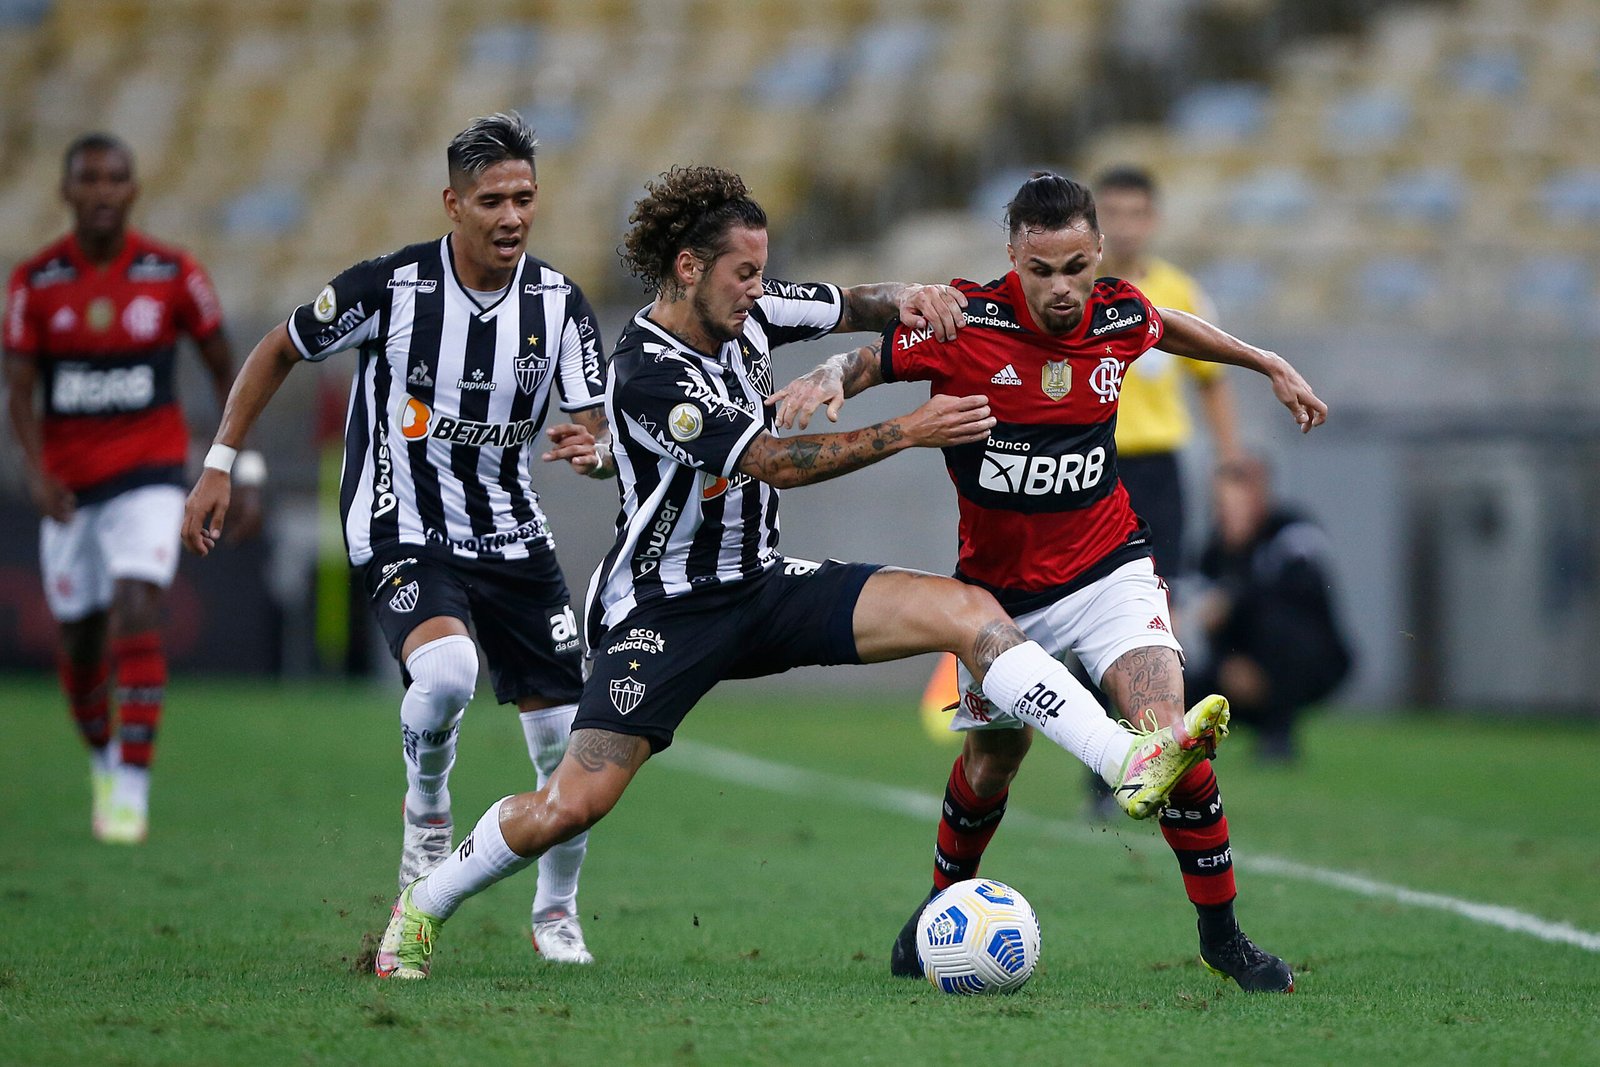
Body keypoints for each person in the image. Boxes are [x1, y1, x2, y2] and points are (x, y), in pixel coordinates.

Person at [373, 165, 1230, 980]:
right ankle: (426, 899)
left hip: (767, 585)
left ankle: (1126, 757)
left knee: (969, 610)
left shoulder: (748, 307)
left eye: (763, 271)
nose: (759, 289)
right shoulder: (645, 369)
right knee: (570, 803)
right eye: (745, 273)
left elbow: (852, 302)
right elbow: (777, 462)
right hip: (666, 614)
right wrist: (910, 428)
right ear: (688, 268)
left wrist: (921, 296)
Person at [771, 172, 1327, 993]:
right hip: (997, 602)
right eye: (1042, 269)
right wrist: (830, 376)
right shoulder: (967, 321)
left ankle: (1223, 937)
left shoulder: (1119, 311)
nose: (1063, 288)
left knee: (1170, 743)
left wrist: (1264, 360)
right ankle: (938, 910)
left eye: (1076, 266)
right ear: (1013, 260)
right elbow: (877, 355)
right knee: (994, 766)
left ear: (1098, 252)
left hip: (1108, 569)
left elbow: (1168, 326)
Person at [182, 113, 613, 964]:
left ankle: (556, 912)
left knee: (570, 740)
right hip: (401, 521)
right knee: (448, 671)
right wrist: (221, 461)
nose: (512, 216)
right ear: (452, 203)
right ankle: (427, 813)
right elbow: (280, 347)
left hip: (512, 530)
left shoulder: (559, 303)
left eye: (525, 198)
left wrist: (594, 455)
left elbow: (591, 433)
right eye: (492, 200)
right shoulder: (391, 286)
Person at [4, 132, 247, 845]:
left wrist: (240, 465)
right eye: (90, 179)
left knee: (137, 607)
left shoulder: (171, 272)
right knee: (79, 643)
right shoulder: (37, 281)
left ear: (133, 190)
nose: (104, 190)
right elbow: (18, 390)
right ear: (67, 191)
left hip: (149, 475)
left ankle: (132, 786)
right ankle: (105, 759)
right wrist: (35, 466)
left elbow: (226, 365)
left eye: (116, 178)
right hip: (72, 492)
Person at [1189, 454, 1352, 762]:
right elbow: (1203, 611)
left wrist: (1235, 599)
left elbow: (1302, 590)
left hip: (1312, 661)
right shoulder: (1215, 549)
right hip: (1236, 667)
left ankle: (1279, 733)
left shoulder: (1292, 530)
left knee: (1278, 624)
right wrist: (1226, 663)